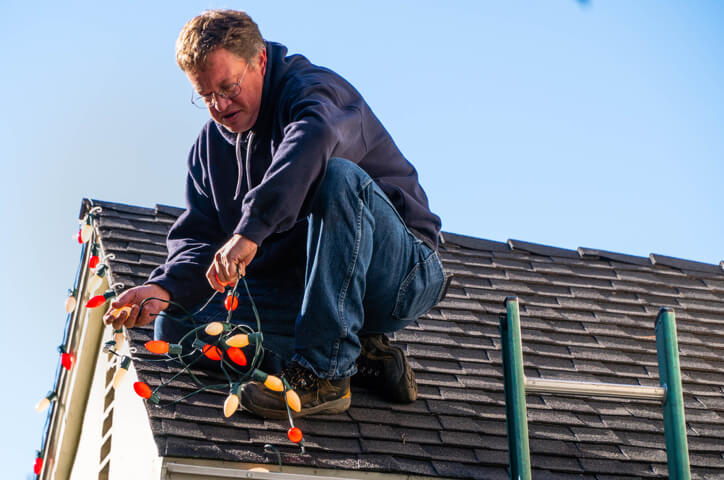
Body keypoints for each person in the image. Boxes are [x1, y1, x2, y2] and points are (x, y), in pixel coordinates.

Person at [103, 9, 446, 419]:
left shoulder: (315, 92)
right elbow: (199, 238)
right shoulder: (209, 148)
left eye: (228, 87)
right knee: (177, 328)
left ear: (260, 61)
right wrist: (165, 289)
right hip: (309, 291)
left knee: (337, 176)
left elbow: (312, 140)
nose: (220, 105)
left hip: (399, 273)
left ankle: (326, 373)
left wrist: (251, 229)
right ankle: (356, 357)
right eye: (205, 95)